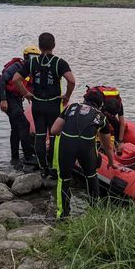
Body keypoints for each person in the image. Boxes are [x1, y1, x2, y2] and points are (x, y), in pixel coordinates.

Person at [12, 32, 75, 176]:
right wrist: (67, 95)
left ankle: (42, 167)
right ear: (54, 45)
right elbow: (71, 81)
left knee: (40, 135)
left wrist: (26, 93)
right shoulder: (59, 62)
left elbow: (16, 79)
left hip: (37, 104)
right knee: (54, 135)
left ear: (39, 46)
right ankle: (53, 167)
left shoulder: (31, 62)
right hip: (53, 104)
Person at [50, 90, 116, 218]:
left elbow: (54, 130)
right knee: (91, 177)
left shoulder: (71, 107)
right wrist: (112, 162)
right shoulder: (101, 117)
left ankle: (62, 215)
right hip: (87, 148)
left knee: (63, 179)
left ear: (85, 99)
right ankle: (94, 212)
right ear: (100, 105)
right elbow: (108, 146)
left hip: (67, 146)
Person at [0, 46, 40, 172]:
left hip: (16, 99)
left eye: (37, 58)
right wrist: (3, 99)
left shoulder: (32, 71)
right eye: (33, 57)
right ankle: (28, 156)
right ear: (26, 57)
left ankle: (15, 158)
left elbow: (31, 88)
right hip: (8, 98)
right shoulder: (17, 67)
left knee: (15, 128)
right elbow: (2, 80)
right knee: (24, 124)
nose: (35, 60)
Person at [86, 86, 126, 153]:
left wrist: (120, 141)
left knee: (117, 125)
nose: (112, 116)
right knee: (99, 126)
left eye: (113, 115)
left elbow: (122, 123)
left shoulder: (119, 104)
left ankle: (116, 144)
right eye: (110, 115)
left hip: (106, 107)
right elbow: (95, 123)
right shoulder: (98, 105)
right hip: (93, 104)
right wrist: (104, 143)